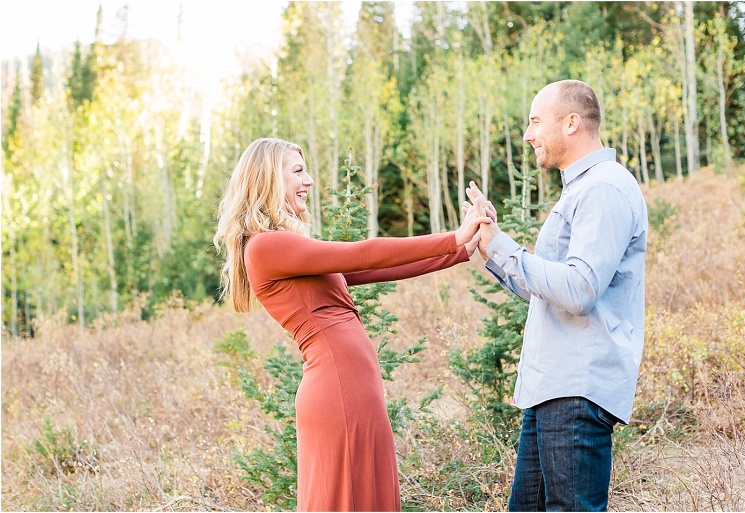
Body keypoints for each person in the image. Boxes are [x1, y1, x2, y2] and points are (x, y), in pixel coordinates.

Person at [213, 137, 489, 512]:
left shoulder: (283, 246)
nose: (309, 180)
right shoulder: (265, 246)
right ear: (266, 180)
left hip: (351, 386)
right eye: (297, 171)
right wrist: (450, 238)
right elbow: (362, 251)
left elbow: (370, 267)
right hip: (339, 388)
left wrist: (458, 251)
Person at [465, 80, 648, 511]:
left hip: (576, 389)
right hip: (553, 389)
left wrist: (505, 247)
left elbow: (579, 289)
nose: (528, 135)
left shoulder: (603, 188)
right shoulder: (582, 189)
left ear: (571, 123)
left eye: (534, 121)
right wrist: (489, 246)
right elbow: (547, 292)